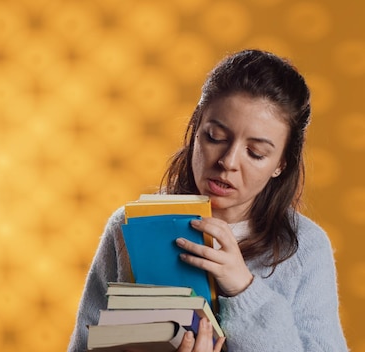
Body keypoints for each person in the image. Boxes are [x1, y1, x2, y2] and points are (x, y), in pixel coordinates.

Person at [67, 49, 348, 352]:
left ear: (281, 164)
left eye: (255, 153)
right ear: (195, 131)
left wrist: (243, 289)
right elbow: (86, 343)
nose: (228, 161)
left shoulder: (303, 247)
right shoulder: (130, 226)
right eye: (215, 136)